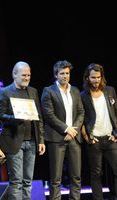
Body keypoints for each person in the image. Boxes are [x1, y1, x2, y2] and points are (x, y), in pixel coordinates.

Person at [0, 61, 46, 200]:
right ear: (14, 74)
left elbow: (39, 117)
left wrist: (41, 140)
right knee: (16, 181)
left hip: (31, 141)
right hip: (14, 141)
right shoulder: (5, 92)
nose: (27, 78)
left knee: (27, 180)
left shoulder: (33, 91)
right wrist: (18, 118)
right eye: (24, 75)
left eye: (29, 75)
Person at [80, 63, 117, 200]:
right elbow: (81, 119)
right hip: (94, 141)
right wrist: (86, 137)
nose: (96, 80)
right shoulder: (83, 96)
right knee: (96, 174)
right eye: (93, 77)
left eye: (98, 77)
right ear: (87, 78)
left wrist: (116, 132)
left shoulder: (109, 91)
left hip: (110, 139)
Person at [41, 60, 84, 200]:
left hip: (74, 138)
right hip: (56, 138)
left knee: (76, 176)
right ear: (56, 75)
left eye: (67, 73)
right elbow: (48, 115)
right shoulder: (48, 91)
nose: (65, 76)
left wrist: (73, 131)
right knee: (56, 177)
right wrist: (66, 129)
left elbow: (81, 112)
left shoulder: (75, 90)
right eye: (62, 73)